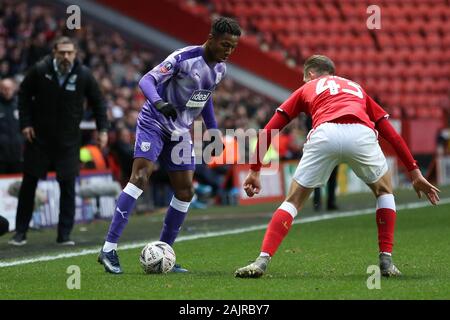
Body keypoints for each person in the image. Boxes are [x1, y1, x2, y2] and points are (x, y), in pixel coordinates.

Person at [235, 55, 440, 278]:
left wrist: (255, 170)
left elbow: (269, 130)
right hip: (360, 132)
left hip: (325, 133)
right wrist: (414, 172)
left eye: (305, 78)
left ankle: (262, 260)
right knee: (384, 191)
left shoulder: (309, 87)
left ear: (311, 74)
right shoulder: (356, 88)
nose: (304, 82)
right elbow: (390, 133)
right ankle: (386, 261)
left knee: (293, 200)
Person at [97, 17, 241, 274]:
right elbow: (146, 81)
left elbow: (204, 99)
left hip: (180, 132)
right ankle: (108, 249)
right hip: (153, 122)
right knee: (140, 177)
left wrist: (214, 130)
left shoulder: (220, 69)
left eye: (232, 47)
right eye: (225, 45)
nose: (228, 51)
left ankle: (164, 252)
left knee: (186, 191)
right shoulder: (184, 57)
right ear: (211, 39)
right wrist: (158, 102)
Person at [8, 37, 109, 246]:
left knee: (68, 188)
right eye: (62, 52)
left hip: (68, 142)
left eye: (69, 52)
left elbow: (99, 102)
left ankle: (64, 235)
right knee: (29, 186)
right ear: (54, 52)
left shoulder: (84, 74)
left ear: (75, 54)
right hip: (39, 140)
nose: (65, 56)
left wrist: (103, 130)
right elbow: (23, 95)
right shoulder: (39, 70)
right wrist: (25, 123)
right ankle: (20, 232)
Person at [305, 115, 338, 211]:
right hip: (320, 147)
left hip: (331, 147)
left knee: (331, 177)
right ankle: (319, 202)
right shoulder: (315, 114)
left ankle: (329, 202)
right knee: (318, 177)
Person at [0, 78, 22, 174]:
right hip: (1, 157)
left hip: (18, 155)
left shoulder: (21, 104)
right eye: (4, 88)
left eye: (9, 88)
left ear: (14, 88)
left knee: (18, 185)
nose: (7, 91)